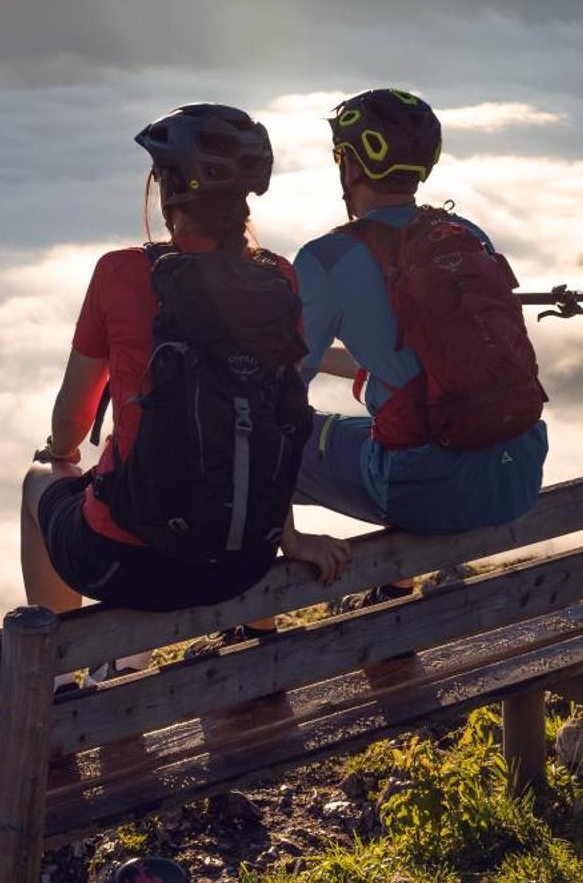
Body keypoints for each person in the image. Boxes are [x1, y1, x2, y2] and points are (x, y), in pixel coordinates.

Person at [21, 104, 350, 687]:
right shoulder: (277, 278)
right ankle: (137, 657)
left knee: (42, 481)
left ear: (168, 192)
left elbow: (71, 424)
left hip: (129, 561)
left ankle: (55, 683)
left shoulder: (121, 273)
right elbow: (274, 415)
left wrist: (60, 452)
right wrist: (287, 535)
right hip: (242, 565)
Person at [293, 88, 548, 608]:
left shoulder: (326, 260)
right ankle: (393, 587)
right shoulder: (467, 234)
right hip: (517, 470)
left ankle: (254, 622)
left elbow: (277, 392)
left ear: (350, 167)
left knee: (281, 442)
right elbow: (436, 365)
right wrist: (358, 372)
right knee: (374, 423)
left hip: (426, 489)